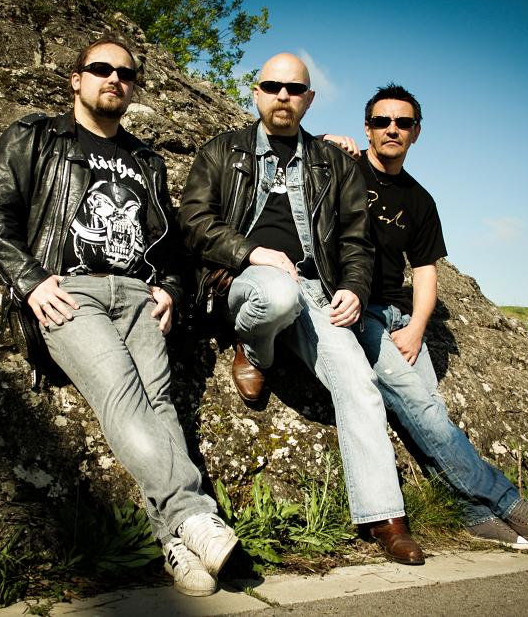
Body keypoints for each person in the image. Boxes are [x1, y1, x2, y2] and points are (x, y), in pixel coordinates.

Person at [0, 35, 237, 596]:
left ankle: (176, 544)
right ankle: (194, 514)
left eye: (126, 73)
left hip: (138, 295)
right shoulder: (36, 137)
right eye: (101, 68)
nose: (114, 78)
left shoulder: (145, 160)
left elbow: (169, 245)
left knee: (160, 406)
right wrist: (31, 280)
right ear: (77, 79)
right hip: (69, 290)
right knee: (122, 395)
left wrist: (170, 288)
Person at [178, 54, 425, 565]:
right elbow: (194, 221)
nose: (283, 95)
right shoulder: (223, 150)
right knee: (277, 293)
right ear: (257, 92)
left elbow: (357, 239)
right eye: (273, 86)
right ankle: (254, 350)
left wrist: (353, 287)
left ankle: (385, 517)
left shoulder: (333, 162)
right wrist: (251, 252)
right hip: (241, 279)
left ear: (309, 99)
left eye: (295, 88)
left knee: (358, 381)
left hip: (314, 289)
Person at [323, 84, 528, 548]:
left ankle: (471, 513)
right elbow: (297, 156)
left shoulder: (420, 200)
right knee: (423, 409)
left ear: (416, 132)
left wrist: (416, 327)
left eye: (403, 123)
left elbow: (426, 272)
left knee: (427, 414)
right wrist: (327, 141)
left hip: (398, 314)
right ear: (367, 128)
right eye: (382, 121)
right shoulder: (345, 167)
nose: (392, 129)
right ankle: (507, 501)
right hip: (359, 310)